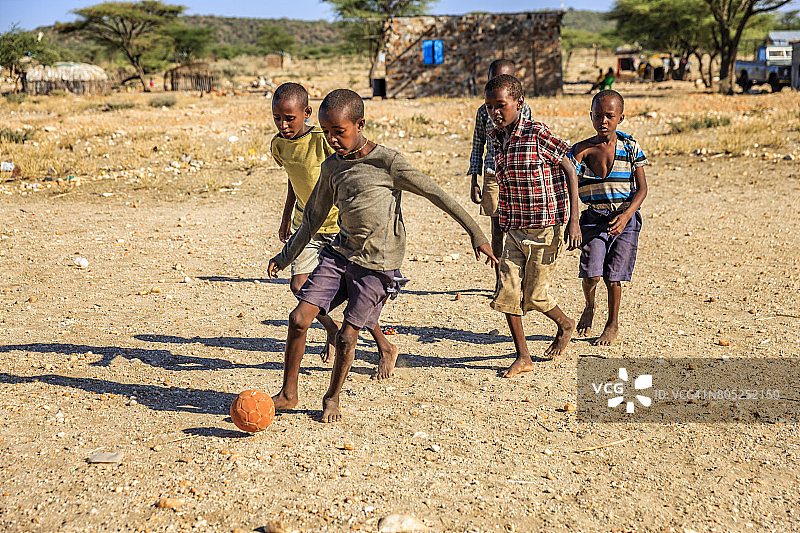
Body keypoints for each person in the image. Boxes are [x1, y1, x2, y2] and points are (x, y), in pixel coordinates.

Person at [268, 89, 497, 422]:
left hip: (377, 265)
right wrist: (286, 255)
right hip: (340, 255)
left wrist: (476, 234)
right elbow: (313, 218)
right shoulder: (332, 167)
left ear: (360, 124)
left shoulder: (387, 162)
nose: (332, 139)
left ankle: (332, 397)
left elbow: (437, 193)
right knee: (298, 319)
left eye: (339, 132)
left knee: (348, 335)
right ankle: (289, 394)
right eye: (327, 132)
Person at [270, 82, 397, 369]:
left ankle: (383, 345)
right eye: (277, 118)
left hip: (339, 227)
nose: (283, 124)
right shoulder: (278, 145)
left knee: (357, 292)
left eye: (289, 118)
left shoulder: (322, 139)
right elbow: (293, 179)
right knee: (300, 285)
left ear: (307, 113)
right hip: (308, 225)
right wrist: (286, 216)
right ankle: (331, 329)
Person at [484, 74, 581, 377]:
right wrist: (496, 240)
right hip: (513, 228)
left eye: (501, 105)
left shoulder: (536, 132)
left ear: (519, 103)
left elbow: (568, 166)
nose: (495, 112)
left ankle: (565, 324)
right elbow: (503, 190)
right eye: (489, 107)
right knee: (507, 293)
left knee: (535, 296)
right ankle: (523, 356)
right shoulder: (495, 139)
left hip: (545, 227)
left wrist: (573, 219)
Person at [568, 90, 648, 346]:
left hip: (624, 220)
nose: (603, 121)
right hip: (593, 220)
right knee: (591, 275)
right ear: (590, 116)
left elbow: (643, 188)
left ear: (620, 118)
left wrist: (626, 216)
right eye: (598, 115)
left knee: (614, 277)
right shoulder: (581, 150)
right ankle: (589, 305)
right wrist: (572, 221)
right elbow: (570, 183)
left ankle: (612, 324)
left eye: (609, 116)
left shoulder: (630, 147)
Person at [468, 59, 532, 291]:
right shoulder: (483, 112)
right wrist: (474, 178)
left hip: (517, 174)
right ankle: (499, 279)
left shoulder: (524, 110)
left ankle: (520, 277)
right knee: (497, 227)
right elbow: (478, 144)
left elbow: (530, 143)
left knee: (519, 228)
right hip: (493, 173)